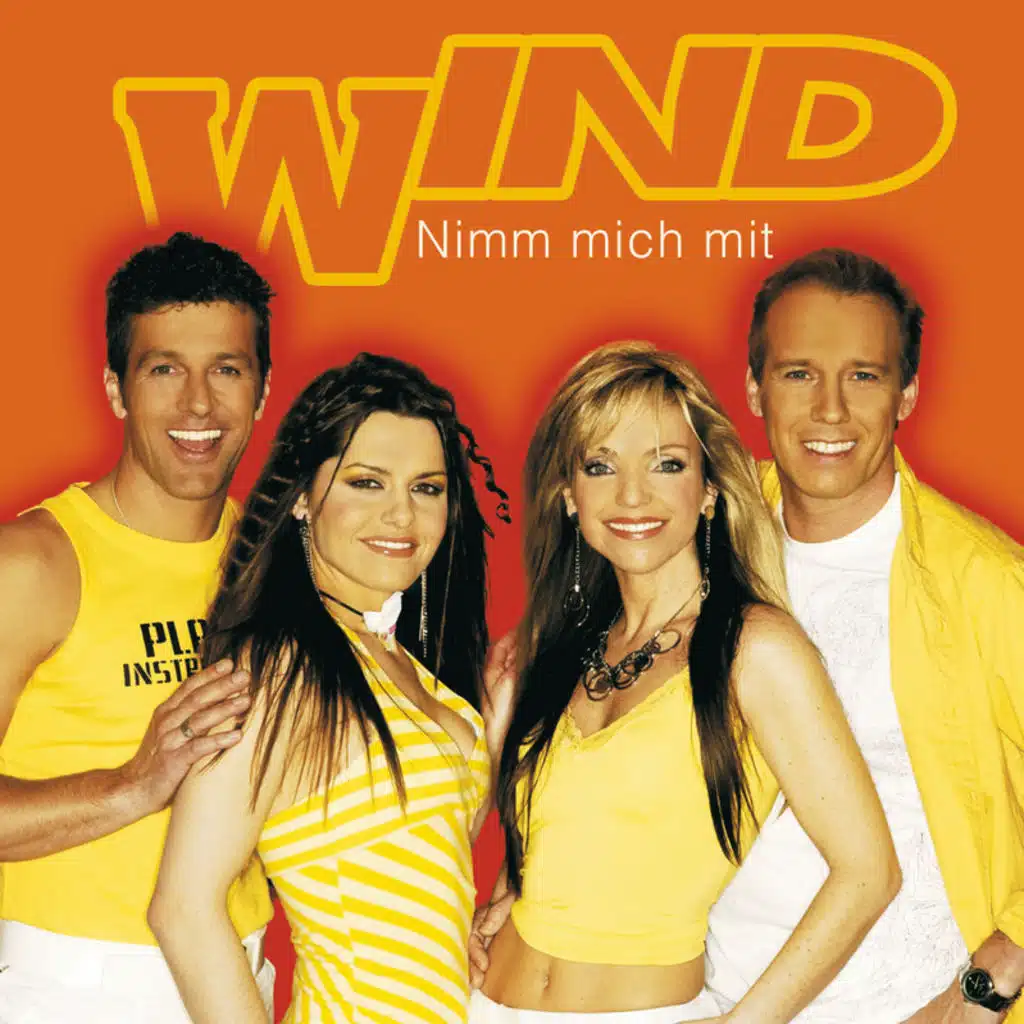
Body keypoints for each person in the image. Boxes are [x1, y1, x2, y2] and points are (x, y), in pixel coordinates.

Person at [472, 341, 900, 1023]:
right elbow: (568, 835)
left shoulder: (755, 650)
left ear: (708, 489)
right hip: (484, 1006)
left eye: (666, 464)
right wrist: (505, 888)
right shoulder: (559, 649)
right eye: (601, 465)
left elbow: (870, 872)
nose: (632, 494)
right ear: (569, 495)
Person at [704, 249, 1024, 1023]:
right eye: (798, 373)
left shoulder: (983, 579)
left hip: (904, 1007)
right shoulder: (704, 537)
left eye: (864, 376)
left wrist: (986, 988)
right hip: (707, 998)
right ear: (754, 387)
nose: (830, 410)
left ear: (906, 393)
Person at [149, 353, 512, 1023]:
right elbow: (183, 907)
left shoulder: (398, 663)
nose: (401, 514)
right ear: (302, 498)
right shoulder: (283, 669)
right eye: (367, 483)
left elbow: (415, 848)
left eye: (427, 488)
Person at [0, 231, 277, 1022]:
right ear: (117, 390)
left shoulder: (275, 565)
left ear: (262, 392)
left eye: (227, 369)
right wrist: (135, 784)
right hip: (76, 984)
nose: (199, 405)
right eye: (164, 370)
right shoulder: (34, 565)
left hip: (239, 971)